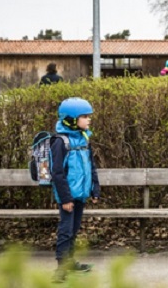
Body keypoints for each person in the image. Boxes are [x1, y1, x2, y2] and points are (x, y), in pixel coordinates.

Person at [51, 97, 100, 283]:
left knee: (74, 229)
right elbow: (57, 173)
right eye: (85, 117)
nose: (89, 120)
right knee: (65, 230)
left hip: (81, 194)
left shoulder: (84, 138)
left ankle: (70, 262)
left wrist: (95, 189)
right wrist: (65, 199)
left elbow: (91, 166)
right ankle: (61, 268)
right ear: (71, 119)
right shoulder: (60, 142)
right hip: (68, 197)